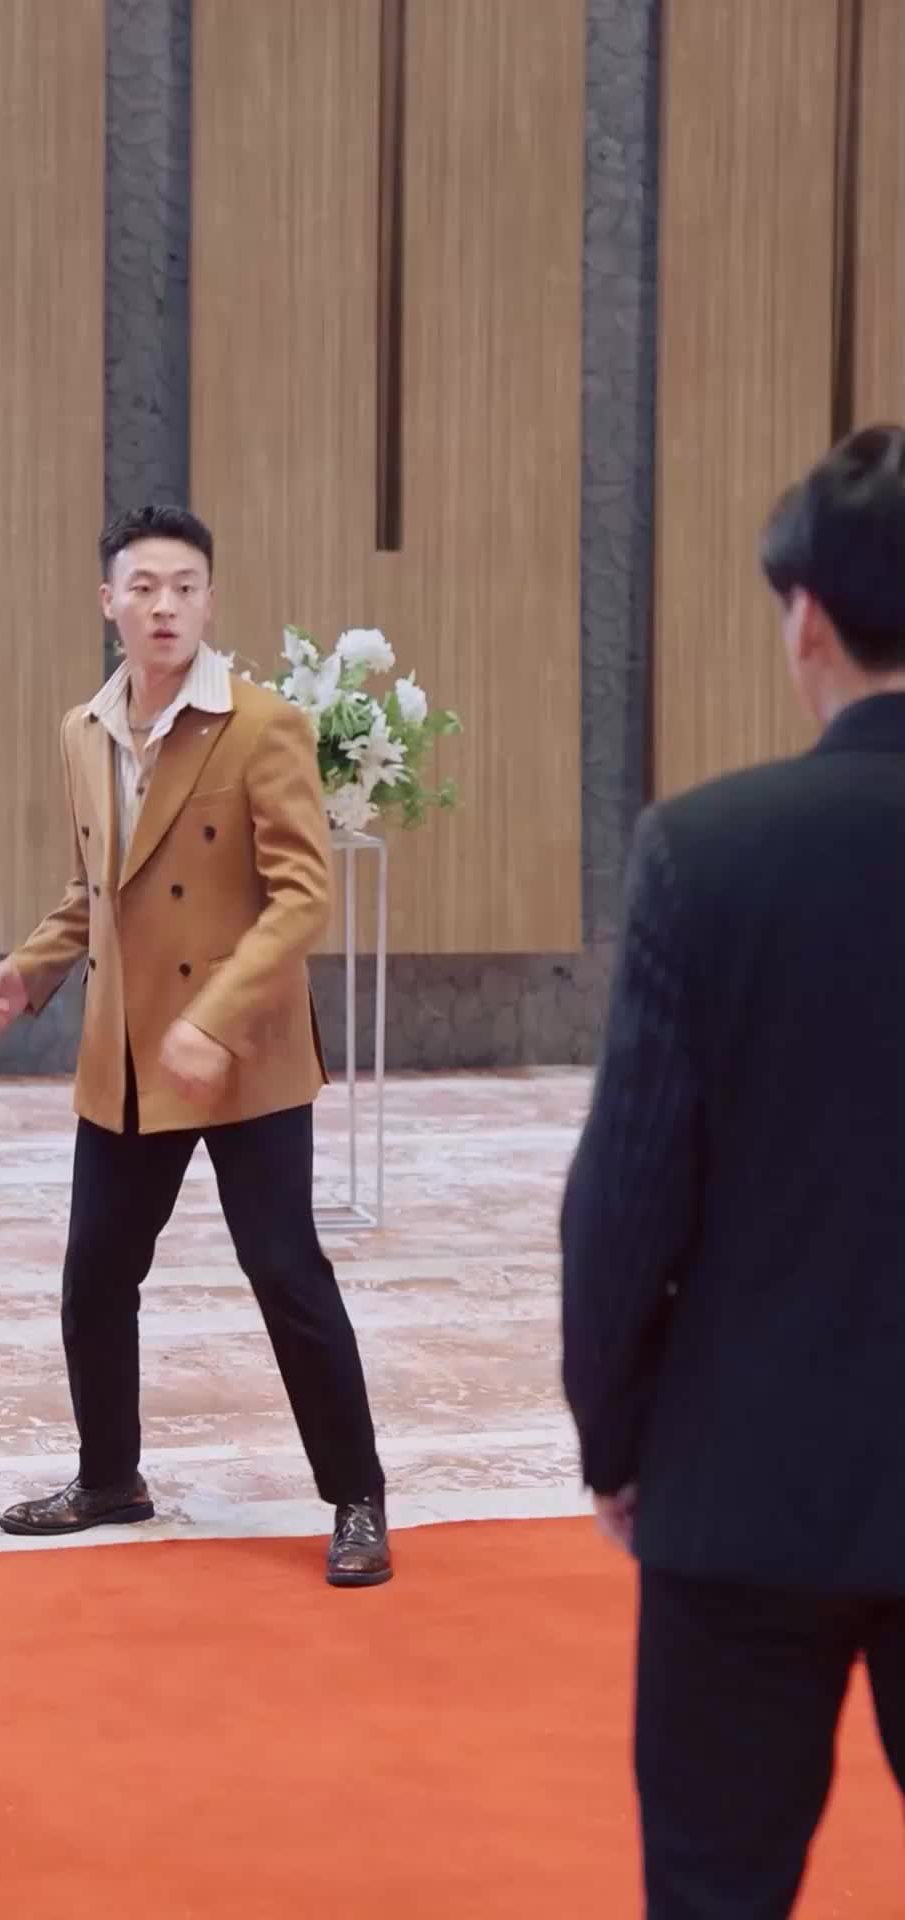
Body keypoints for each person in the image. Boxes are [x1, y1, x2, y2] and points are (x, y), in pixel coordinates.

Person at [561, 425, 905, 1915]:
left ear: (806, 619)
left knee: (716, 1888)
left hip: (748, 1481)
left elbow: (627, 1200)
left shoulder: (709, 852)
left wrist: (616, 1437)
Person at [0, 504, 391, 1589]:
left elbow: (302, 896)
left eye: (186, 587)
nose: (165, 605)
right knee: (95, 1275)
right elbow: (95, 889)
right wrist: (29, 969)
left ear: (209, 601)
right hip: (129, 1050)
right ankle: (110, 1478)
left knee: (285, 1270)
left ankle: (357, 1496)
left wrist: (215, 1017)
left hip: (244, 1051)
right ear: (108, 600)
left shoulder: (261, 726)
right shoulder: (84, 729)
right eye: (145, 586)